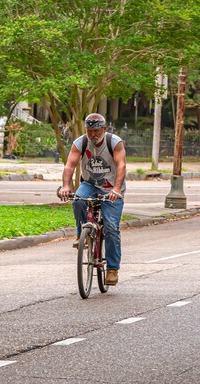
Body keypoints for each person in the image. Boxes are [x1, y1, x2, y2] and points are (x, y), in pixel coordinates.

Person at [58, 113, 126, 286]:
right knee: (78, 200)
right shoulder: (80, 142)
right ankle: (82, 234)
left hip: (111, 188)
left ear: (104, 129)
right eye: (90, 131)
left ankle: (112, 269)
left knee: (111, 226)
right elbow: (70, 165)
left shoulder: (114, 142)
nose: (93, 135)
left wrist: (117, 189)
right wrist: (66, 186)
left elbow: (121, 165)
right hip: (89, 184)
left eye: (96, 131)